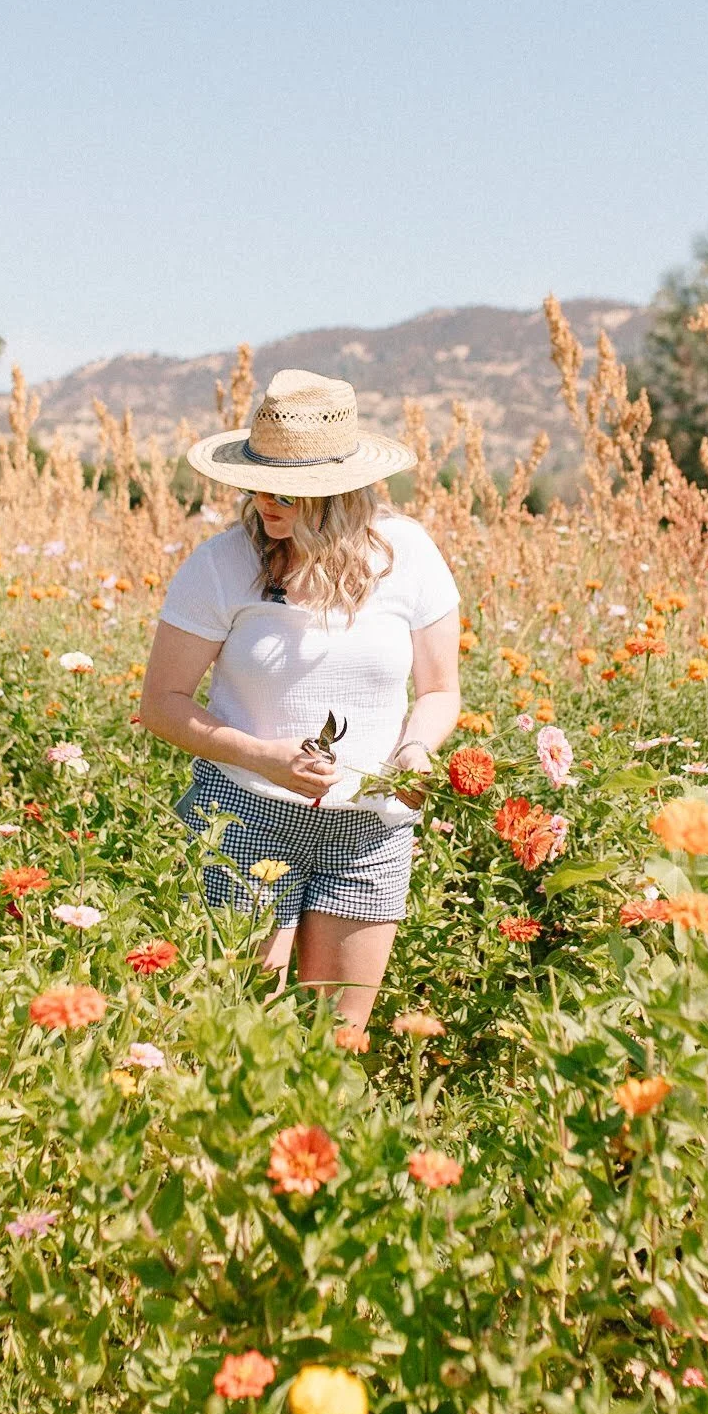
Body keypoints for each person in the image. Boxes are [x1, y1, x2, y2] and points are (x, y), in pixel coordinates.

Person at [139, 369, 462, 1029]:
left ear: (337, 491)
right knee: (239, 1030)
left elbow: (438, 691)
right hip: (244, 816)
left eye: (286, 488)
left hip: (370, 829)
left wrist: (414, 751)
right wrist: (259, 756)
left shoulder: (410, 554)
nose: (263, 500)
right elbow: (162, 703)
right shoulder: (220, 564)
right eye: (256, 479)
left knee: (336, 1037)